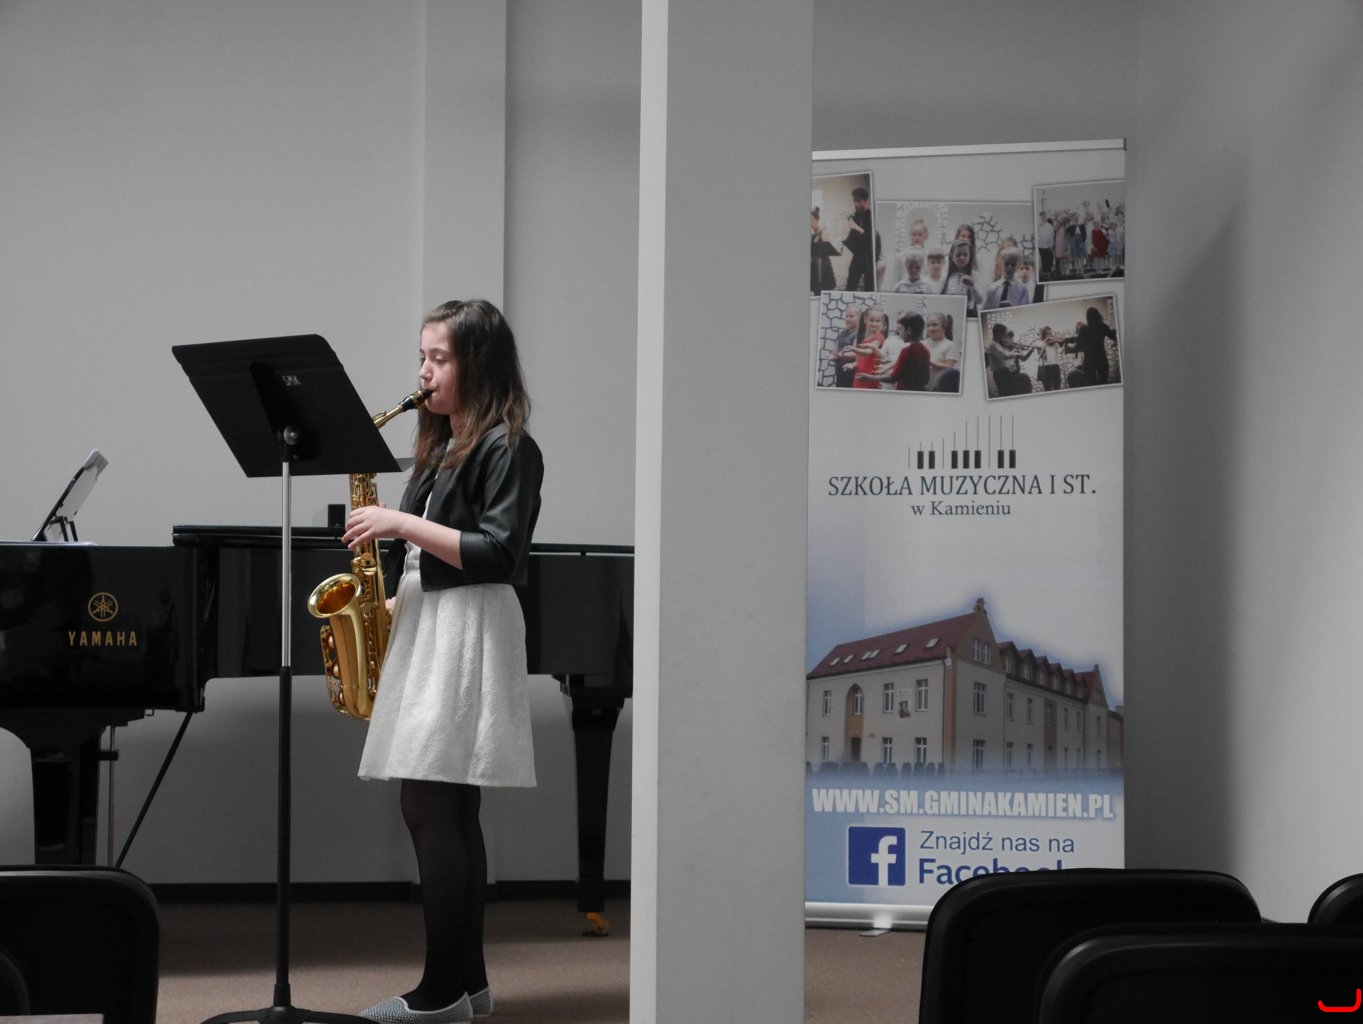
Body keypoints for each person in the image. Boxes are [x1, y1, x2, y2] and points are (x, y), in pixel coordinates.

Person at [345, 298, 544, 1024]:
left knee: (431, 804)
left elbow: (497, 553)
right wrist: (386, 602)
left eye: (440, 358)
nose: (423, 373)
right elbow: (427, 557)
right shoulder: (442, 445)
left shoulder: (508, 446)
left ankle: (438, 994)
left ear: (478, 365)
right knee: (450, 809)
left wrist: (398, 522)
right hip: (434, 619)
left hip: (469, 626)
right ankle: (470, 986)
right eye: (422, 357)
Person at [858, 312, 929, 391]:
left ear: (909, 330)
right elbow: (926, 378)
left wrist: (868, 377)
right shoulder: (925, 350)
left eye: (902, 329)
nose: (900, 333)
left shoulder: (907, 351)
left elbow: (893, 377)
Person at [843, 187, 875, 290]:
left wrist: (856, 227)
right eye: (854, 200)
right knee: (851, 282)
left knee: (869, 285)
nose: (855, 203)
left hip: (869, 256)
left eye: (858, 200)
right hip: (858, 255)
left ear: (865, 200)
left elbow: (870, 237)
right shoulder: (856, 215)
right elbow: (854, 236)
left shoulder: (871, 216)